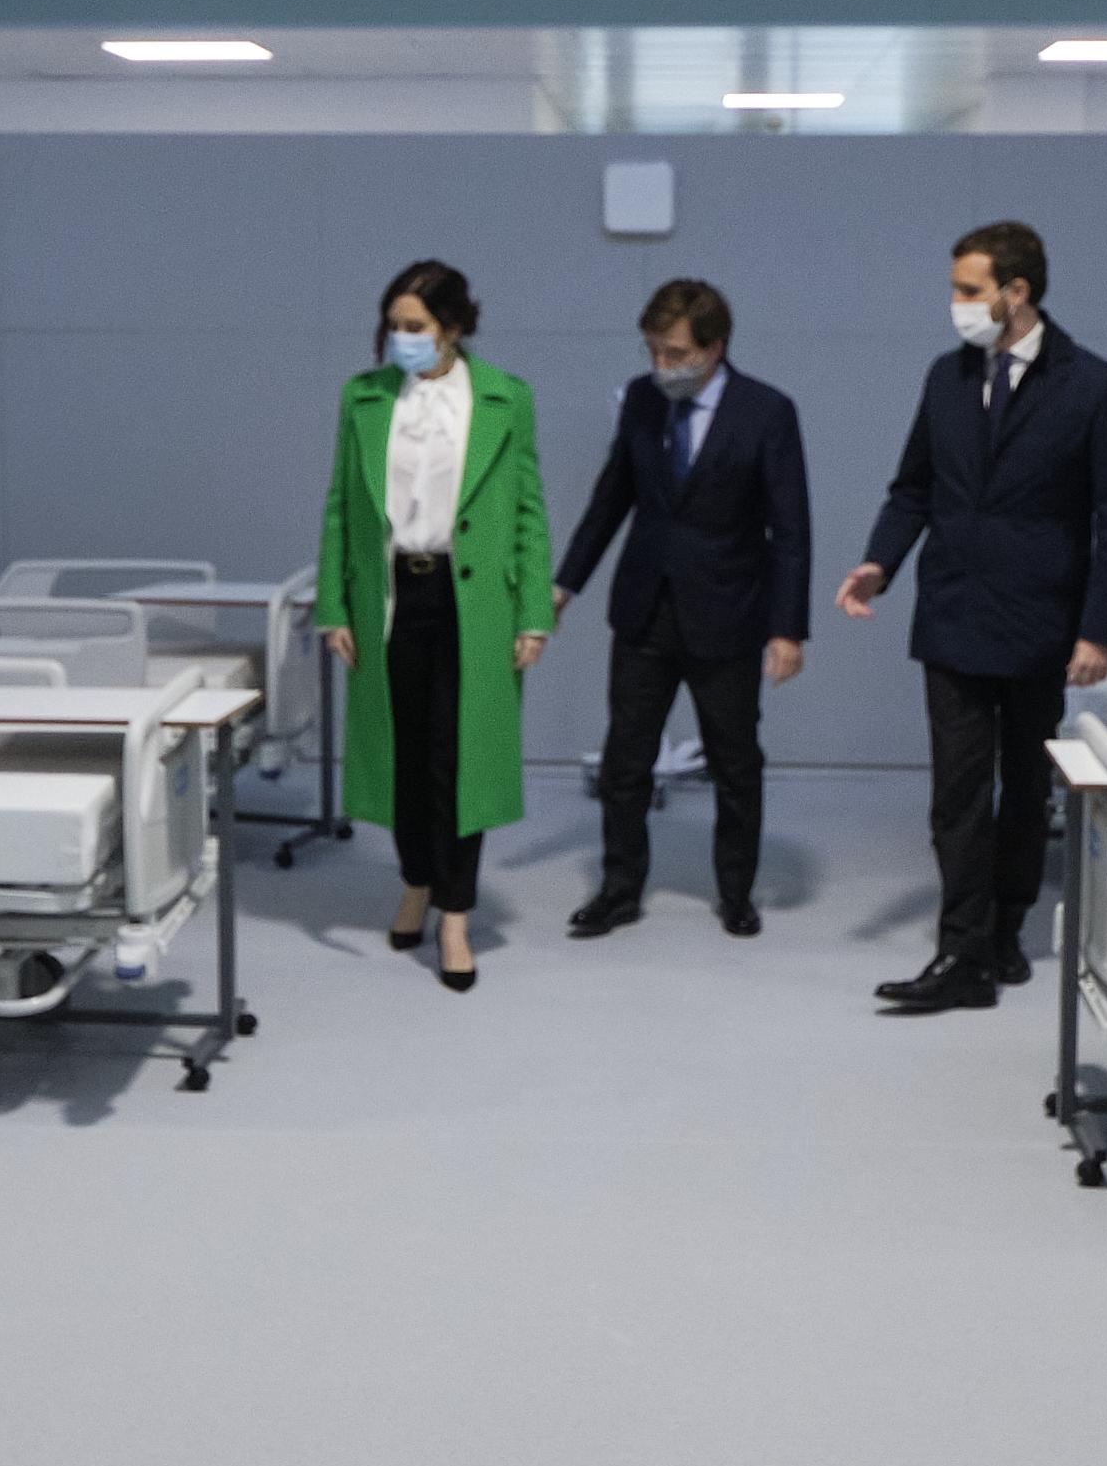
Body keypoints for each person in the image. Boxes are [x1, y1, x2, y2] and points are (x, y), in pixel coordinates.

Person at [836, 220, 1107, 1014]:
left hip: (1041, 618)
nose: (957, 305)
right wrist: (879, 563)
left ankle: (1006, 927)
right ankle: (961, 950)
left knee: (1023, 790)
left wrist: (1098, 629)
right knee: (957, 792)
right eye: (954, 289)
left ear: (1017, 293)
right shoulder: (946, 377)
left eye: (969, 290)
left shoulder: (1093, 386)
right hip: (953, 611)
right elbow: (913, 487)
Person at [314, 259, 554, 993]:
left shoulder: (505, 398)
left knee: (460, 758)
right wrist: (333, 605)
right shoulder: (364, 397)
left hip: (471, 599)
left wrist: (534, 613)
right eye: (392, 325)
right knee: (403, 754)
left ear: (452, 328)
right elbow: (338, 509)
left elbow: (528, 514)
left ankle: (454, 911)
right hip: (390, 595)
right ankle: (415, 877)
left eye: (414, 327)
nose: (399, 339)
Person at [552, 279, 812, 940]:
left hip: (727, 613)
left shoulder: (767, 411)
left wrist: (787, 629)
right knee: (625, 760)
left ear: (714, 347)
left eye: (674, 353)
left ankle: (735, 893)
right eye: (653, 351)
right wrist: (564, 585)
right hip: (644, 608)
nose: (661, 366)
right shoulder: (642, 401)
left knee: (734, 762)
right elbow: (610, 500)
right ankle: (618, 890)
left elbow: (792, 530)